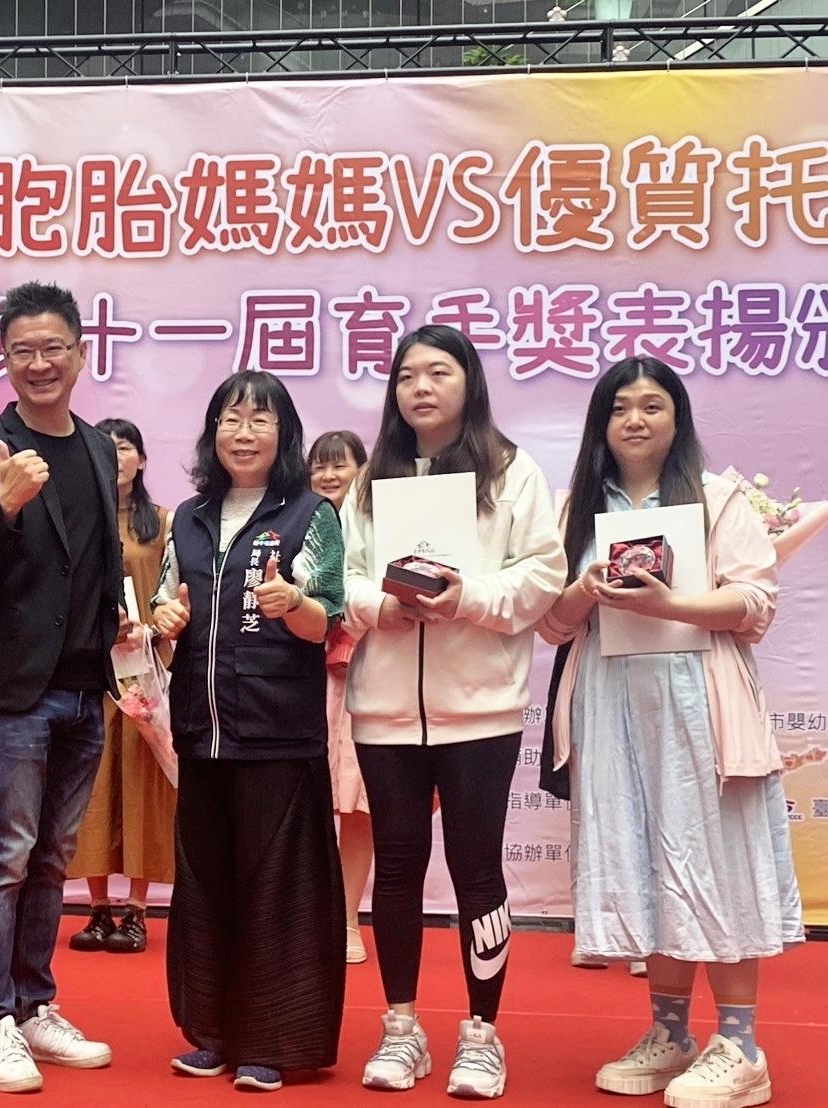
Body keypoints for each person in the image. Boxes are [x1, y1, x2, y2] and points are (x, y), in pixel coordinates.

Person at [539, 357, 802, 1108]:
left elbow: (755, 604)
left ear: (677, 417)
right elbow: (550, 625)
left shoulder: (717, 498)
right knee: (645, 858)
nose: (634, 420)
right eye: (619, 407)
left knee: (717, 863)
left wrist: (670, 605)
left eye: (651, 405)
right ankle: (670, 1033)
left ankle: (742, 1047)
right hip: (611, 707)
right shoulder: (575, 508)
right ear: (600, 423)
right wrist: (582, 590)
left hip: (701, 704)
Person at [341, 325, 565, 1099]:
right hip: (384, 710)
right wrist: (382, 608)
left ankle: (481, 1033)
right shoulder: (371, 478)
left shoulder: (510, 471)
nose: (421, 388)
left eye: (438, 372)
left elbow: (541, 575)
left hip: (481, 712)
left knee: (476, 869)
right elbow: (342, 578)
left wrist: (468, 597)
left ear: (468, 382)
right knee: (397, 865)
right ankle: (400, 1027)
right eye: (407, 375)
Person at [0, 281, 125, 1094]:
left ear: (81, 354)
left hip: (85, 687)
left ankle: (33, 1005)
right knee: (5, 857)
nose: (40, 362)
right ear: (5, 360)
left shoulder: (96, 447)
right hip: (12, 692)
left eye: (54, 347)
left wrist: (119, 621)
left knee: (52, 859)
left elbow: (95, 559)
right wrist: (8, 507)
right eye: (23, 350)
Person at [150, 371, 346, 1094]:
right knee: (207, 886)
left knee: (277, 891)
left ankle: (273, 1041)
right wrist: (164, 620)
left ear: (282, 434)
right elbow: (162, 606)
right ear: (213, 433)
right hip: (200, 733)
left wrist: (293, 602)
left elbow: (326, 619)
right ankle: (213, 1032)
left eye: (260, 420)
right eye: (230, 419)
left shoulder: (311, 515)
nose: (243, 433)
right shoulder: (188, 516)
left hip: (277, 733)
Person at [67, 418, 175, 956]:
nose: (116, 457)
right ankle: (96, 908)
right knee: (91, 786)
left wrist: (152, 630)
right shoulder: (76, 517)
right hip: (89, 668)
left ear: (142, 459)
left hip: (143, 670)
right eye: (106, 448)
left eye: (126, 447)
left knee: (141, 788)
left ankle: (135, 909)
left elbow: (176, 594)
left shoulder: (164, 522)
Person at [309, 429, 374, 965]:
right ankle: (305, 919)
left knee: (357, 805)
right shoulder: (297, 523)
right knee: (304, 804)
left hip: (362, 676)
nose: (328, 476)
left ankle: (348, 920)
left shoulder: (377, 524)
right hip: (302, 678)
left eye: (340, 465)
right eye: (319, 466)